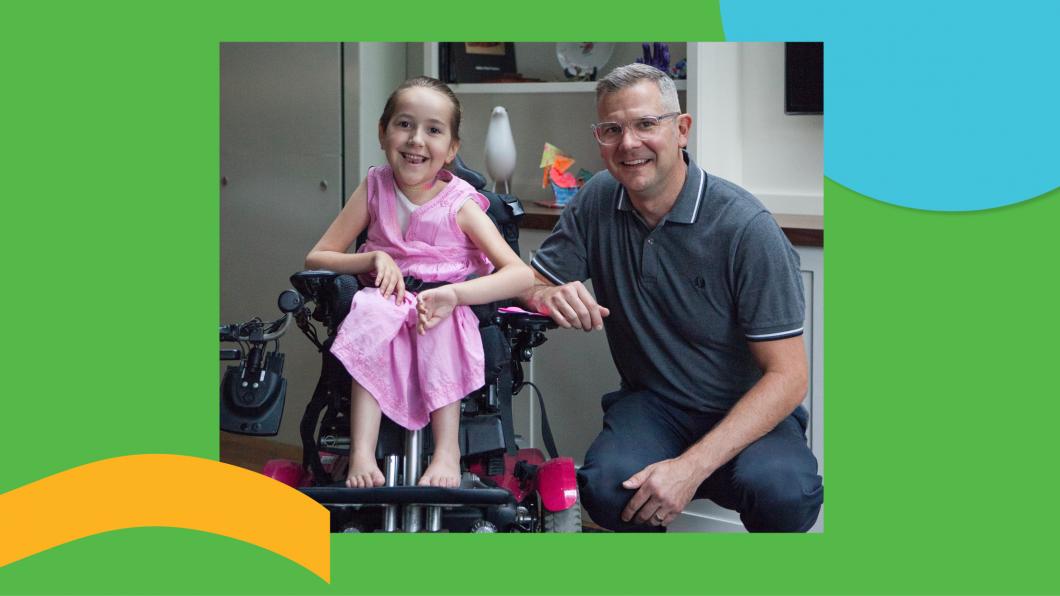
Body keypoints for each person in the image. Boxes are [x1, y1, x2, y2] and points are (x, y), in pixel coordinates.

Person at [522, 64, 823, 532]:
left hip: (743, 408)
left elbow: (788, 378)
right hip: (653, 404)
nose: (628, 143)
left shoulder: (746, 228)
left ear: (681, 130)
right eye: (612, 129)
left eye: (646, 124)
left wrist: (690, 467)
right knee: (604, 488)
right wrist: (544, 294)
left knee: (786, 495)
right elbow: (526, 284)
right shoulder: (597, 199)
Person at [306, 77, 534, 489]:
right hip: (387, 299)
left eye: (433, 130)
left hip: (444, 303)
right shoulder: (374, 188)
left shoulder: (460, 205)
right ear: (382, 132)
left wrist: (455, 294)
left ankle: (448, 452)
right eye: (404, 125)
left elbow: (519, 274)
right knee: (370, 313)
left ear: (451, 149)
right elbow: (318, 256)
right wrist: (373, 257)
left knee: (439, 322)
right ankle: (362, 452)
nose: (416, 140)